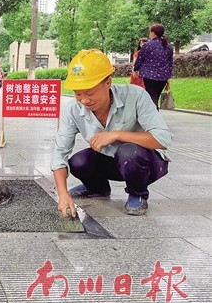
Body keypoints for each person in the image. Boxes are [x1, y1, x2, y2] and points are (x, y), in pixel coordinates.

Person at [52, 49, 172, 217]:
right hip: (110, 161)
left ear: (108, 82)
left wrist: (116, 134)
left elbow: (163, 139)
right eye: (78, 94)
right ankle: (98, 188)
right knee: (78, 162)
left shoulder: (136, 96)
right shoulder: (73, 109)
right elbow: (60, 152)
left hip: (144, 162)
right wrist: (62, 194)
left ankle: (138, 193)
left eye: (90, 93)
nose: (84, 100)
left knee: (128, 151)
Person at [133, 24, 173, 110]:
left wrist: (136, 69)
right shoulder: (168, 47)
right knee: (155, 96)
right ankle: (154, 115)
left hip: (149, 76)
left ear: (153, 33)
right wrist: (168, 75)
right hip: (163, 77)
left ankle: (154, 116)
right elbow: (170, 63)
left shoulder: (148, 45)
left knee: (152, 97)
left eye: (150, 32)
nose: (149, 34)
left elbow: (140, 59)